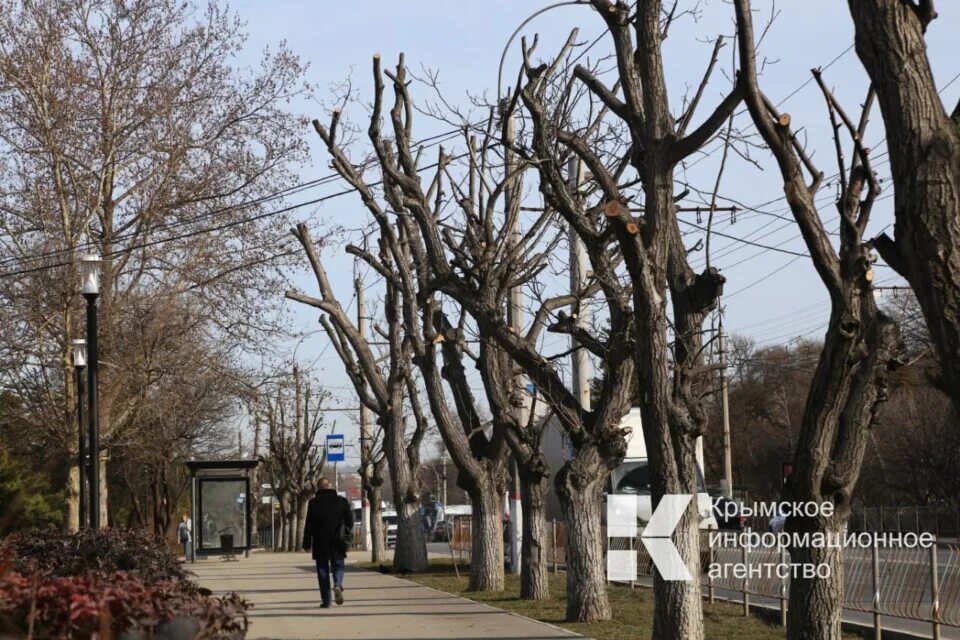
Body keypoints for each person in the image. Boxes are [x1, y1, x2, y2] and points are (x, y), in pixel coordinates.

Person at [303, 478, 353, 608]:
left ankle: (326, 600)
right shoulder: (341, 501)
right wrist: (347, 535)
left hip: (320, 542)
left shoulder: (313, 503)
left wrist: (306, 542)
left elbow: (309, 524)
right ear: (331, 487)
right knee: (338, 565)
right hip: (337, 540)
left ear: (318, 488)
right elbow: (349, 521)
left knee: (322, 570)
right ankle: (337, 584)